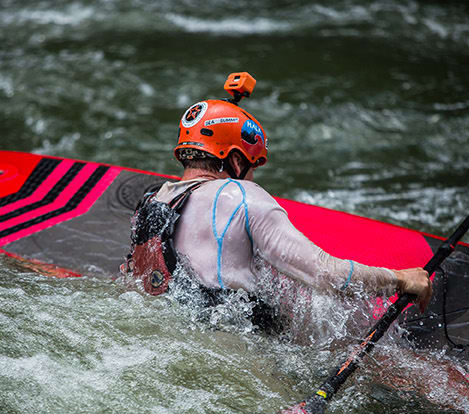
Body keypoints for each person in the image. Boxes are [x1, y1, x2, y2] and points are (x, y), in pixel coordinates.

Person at [124, 72, 430, 333]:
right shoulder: (241, 195)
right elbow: (325, 274)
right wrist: (400, 279)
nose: (253, 177)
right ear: (233, 158)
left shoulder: (153, 200)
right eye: (252, 166)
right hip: (227, 346)